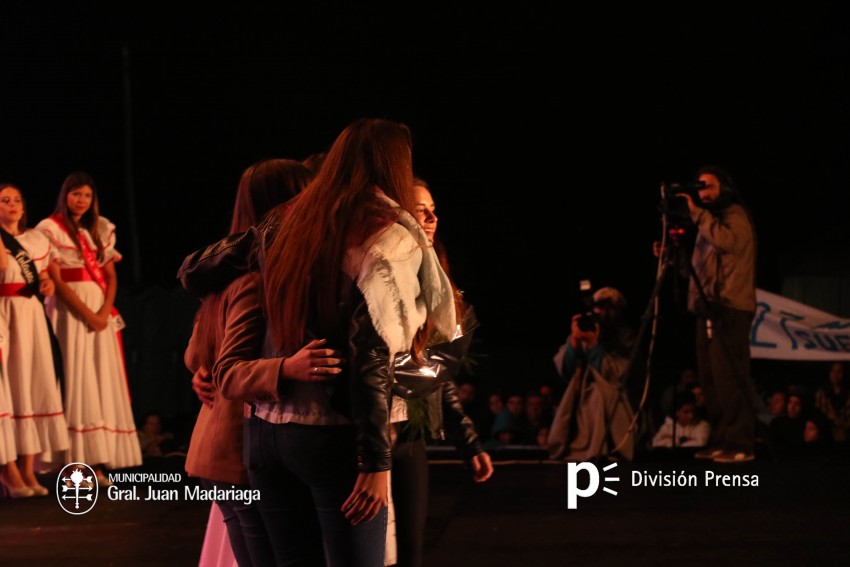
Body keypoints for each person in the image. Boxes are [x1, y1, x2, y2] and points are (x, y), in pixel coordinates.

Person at [208, 118, 457, 566]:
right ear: (392, 166)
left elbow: (196, 269)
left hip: (266, 433)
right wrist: (376, 461)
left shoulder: (285, 221)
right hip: (331, 435)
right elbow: (372, 354)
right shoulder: (386, 234)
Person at [183, 157, 332, 567]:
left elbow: (196, 355)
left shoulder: (222, 268)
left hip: (219, 446)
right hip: (235, 444)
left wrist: (203, 369)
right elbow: (228, 367)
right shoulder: (252, 276)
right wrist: (287, 368)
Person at [385, 177, 492, 567]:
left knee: (410, 550)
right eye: (421, 209)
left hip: (409, 431)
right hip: (372, 427)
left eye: (433, 209)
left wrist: (468, 441)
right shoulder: (381, 268)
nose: (432, 217)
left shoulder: (438, 271)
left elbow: (435, 368)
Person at [35, 172, 142, 484]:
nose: (80, 201)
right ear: (64, 195)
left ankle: (99, 460)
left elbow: (110, 276)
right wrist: (88, 314)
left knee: (99, 377)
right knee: (76, 376)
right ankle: (74, 463)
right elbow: (55, 277)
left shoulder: (100, 228)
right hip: (70, 311)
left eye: (86, 196)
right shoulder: (49, 229)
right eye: (75, 194)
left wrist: (104, 311)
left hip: (100, 310)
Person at [675, 166, 758, 464]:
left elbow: (729, 243)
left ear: (724, 187)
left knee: (729, 377)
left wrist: (698, 214)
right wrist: (673, 254)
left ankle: (741, 443)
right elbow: (697, 270)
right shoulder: (707, 222)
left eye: (709, 186)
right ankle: (722, 438)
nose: (703, 193)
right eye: (700, 188)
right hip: (706, 308)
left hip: (730, 307)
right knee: (710, 381)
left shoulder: (734, 214)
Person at [0, 183, 69, 497]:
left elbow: (48, 280)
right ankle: (9, 470)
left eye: (16, 200)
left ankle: (28, 468)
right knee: (8, 389)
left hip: (30, 314)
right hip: (4, 312)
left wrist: (46, 284)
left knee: (31, 385)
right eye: (4, 201)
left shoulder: (37, 241)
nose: (12, 205)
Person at [548, 286, 637, 462]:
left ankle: (603, 447)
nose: (604, 313)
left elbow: (616, 375)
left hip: (615, 397)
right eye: (600, 307)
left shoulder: (625, 336)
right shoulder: (587, 326)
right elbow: (566, 370)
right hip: (580, 394)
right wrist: (575, 341)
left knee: (597, 395)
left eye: (610, 308)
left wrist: (594, 346)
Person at [814, 361, 850, 445]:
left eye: (839, 371)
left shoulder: (848, 396)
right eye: (833, 370)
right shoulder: (821, 395)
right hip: (826, 439)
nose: (835, 374)